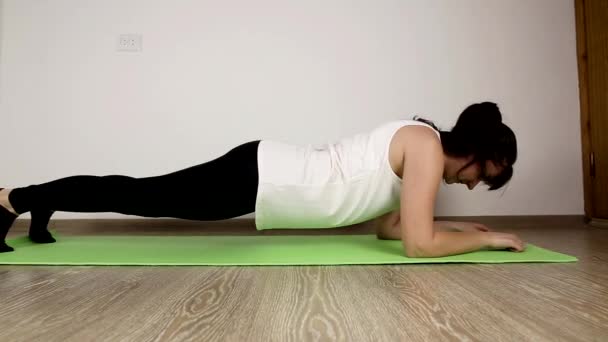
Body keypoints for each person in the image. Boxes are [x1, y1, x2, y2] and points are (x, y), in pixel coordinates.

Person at [0, 101, 523, 257]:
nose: (476, 184)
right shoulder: (427, 146)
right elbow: (416, 244)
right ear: (473, 152)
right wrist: (490, 239)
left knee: (138, 191)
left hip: (263, 174)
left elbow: (390, 230)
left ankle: (36, 201)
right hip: (261, 176)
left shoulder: (421, 145)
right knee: (139, 194)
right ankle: (14, 199)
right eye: (485, 174)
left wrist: (465, 230)